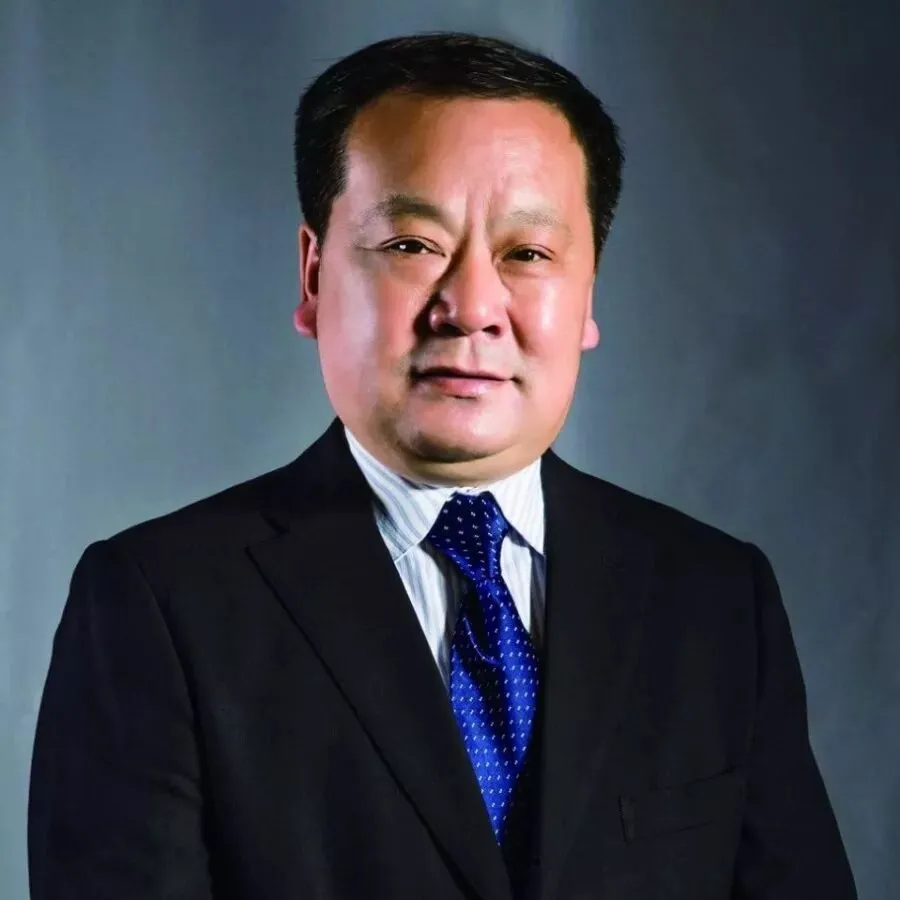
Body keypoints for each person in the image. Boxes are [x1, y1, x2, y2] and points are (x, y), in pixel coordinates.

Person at [27, 31, 858, 900]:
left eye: (527, 254)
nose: (471, 308)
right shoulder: (158, 605)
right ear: (313, 276)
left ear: (587, 295)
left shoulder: (716, 599)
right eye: (412, 246)